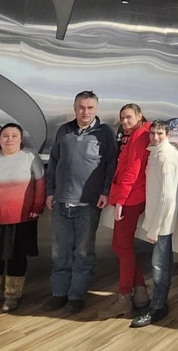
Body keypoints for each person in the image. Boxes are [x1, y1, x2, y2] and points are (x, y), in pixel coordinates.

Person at [45, 91, 118, 314]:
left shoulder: (105, 133)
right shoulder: (64, 131)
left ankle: (77, 295)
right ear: (75, 108)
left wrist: (105, 192)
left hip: (88, 204)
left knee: (83, 252)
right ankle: (59, 293)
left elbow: (111, 165)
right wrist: (50, 192)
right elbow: (53, 162)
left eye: (90, 108)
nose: (85, 112)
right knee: (60, 251)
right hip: (61, 202)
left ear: (96, 109)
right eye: (81, 107)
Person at [0, 124, 45, 313]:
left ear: (21, 139)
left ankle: (12, 296)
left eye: (14, 135)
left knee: (17, 258)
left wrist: (37, 207)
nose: (10, 139)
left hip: (21, 217)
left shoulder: (30, 156)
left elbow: (40, 183)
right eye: (5, 135)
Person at [101, 104, 152, 318]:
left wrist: (120, 200)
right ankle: (140, 294)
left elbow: (133, 170)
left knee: (121, 246)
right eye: (122, 118)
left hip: (131, 198)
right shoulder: (136, 134)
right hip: (131, 196)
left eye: (129, 117)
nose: (124, 121)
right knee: (123, 247)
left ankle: (124, 298)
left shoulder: (139, 135)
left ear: (139, 116)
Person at [131, 120, 178, 328]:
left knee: (159, 265)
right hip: (158, 218)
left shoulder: (165, 156)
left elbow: (166, 196)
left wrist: (154, 227)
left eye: (160, 133)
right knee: (163, 262)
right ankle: (160, 303)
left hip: (162, 221)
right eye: (152, 133)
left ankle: (158, 306)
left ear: (167, 135)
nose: (155, 137)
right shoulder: (155, 152)